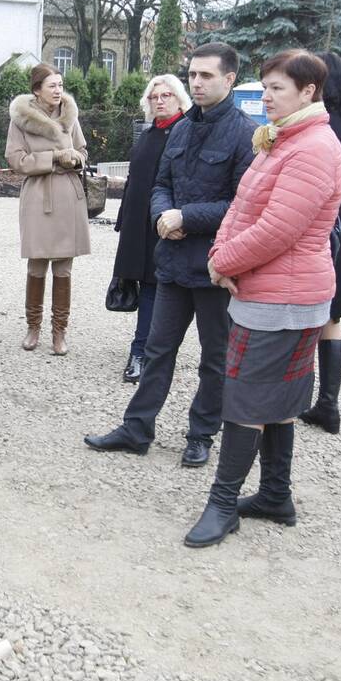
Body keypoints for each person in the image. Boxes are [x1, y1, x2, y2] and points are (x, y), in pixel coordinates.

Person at [186, 49, 341, 547]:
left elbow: (278, 229)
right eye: (266, 86)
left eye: (277, 88)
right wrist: (220, 254)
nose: (267, 97)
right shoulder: (283, 140)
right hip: (271, 291)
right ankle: (276, 495)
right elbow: (241, 208)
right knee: (275, 399)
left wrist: (225, 262)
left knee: (247, 401)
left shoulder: (312, 148)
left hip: (285, 298)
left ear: (308, 91)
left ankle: (223, 504)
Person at [84, 42, 257, 467]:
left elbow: (243, 205)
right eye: (192, 74)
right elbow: (161, 184)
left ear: (229, 79)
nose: (196, 82)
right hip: (173, 262)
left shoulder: (245, 134)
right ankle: (137, 428)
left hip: (216, 266)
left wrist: (186, 217)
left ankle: (201, 434)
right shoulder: (179, 130)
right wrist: (163, 214)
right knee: (157, 350)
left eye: (206, 76)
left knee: (214, 359)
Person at [5, 64, 91, 356]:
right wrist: (54, 157)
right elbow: (15, 159)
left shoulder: (70, 114)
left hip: (68, 195)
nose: (58, 90)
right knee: (37, 264)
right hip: (38, 196)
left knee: (64, 267)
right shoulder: (21, 119)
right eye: (52, 85)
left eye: (61, 85)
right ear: (37, 90)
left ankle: (59, 331)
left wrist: (75, 159)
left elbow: (82, 151)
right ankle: (33, 327)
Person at [112, 74, 192, 383]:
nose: (159, 101)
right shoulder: (148, 134)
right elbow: (134, 179)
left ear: (179, 98)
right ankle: (146, 349)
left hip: (165, 223)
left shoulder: (185, 131)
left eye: (166, 95)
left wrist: (180, 218)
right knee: (146, 285)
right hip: (138, 224)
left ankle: (142, 352)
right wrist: (123, 220)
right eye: (154, 96)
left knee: (155, 288)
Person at [299, 52, 341, 435]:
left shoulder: (321, 126)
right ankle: (328, 404)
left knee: (305, 313)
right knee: (332, 317)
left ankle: (296, 398)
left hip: (323, 224)